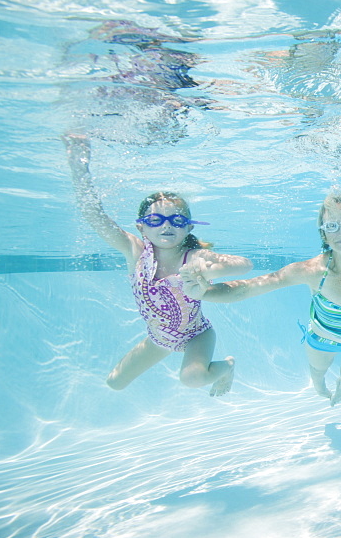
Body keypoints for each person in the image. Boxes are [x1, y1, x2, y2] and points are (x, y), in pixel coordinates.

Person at [181, 190, 341, 406]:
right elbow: (247, 288)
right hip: (322, 339)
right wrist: (205, 292)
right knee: (318, 370)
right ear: (323, 233)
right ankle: (321, 388)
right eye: (333, 226)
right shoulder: (311, 270)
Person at [65, 134, 252, 395]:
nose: (166, 226)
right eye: (156, 220)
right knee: (114, 382)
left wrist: (209, 269)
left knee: (193, 378)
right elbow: (93, 215)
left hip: (197, 334)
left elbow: (244, 265)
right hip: (159, 339)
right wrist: (79, 167)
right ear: (141, 227)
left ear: (188, 228)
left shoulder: (193, 257)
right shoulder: (135, 251)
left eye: (176, 221)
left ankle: (226, 367)